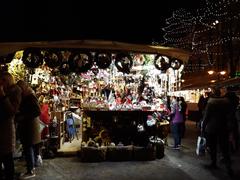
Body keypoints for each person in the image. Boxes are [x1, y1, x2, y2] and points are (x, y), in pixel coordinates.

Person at [202, 87, 233, 176]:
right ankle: (228, 167)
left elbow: (206, 117)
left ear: (214, 94)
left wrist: (203, 128)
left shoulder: (211, 103)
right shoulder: (227, 102)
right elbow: (230, 115)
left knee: (213, 147)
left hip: (212, 128)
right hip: (223, 128)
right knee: (224, 148)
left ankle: (214, 163)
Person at [16, 80, 42, 179]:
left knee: (28, 147)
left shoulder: (30, 96)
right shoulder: (28, 95)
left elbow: (37, 111)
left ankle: (30, 171)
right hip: (29, 126)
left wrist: (23, 116)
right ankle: (32, 167)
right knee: (29, 147)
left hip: (29, 126)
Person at [0, 72, 22, 180]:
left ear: (9, 80)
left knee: (7, 157)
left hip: (7, 129)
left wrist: (3, 96)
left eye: (4, 80)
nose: (2, 82)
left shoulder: (15, 90)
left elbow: (12, 111)